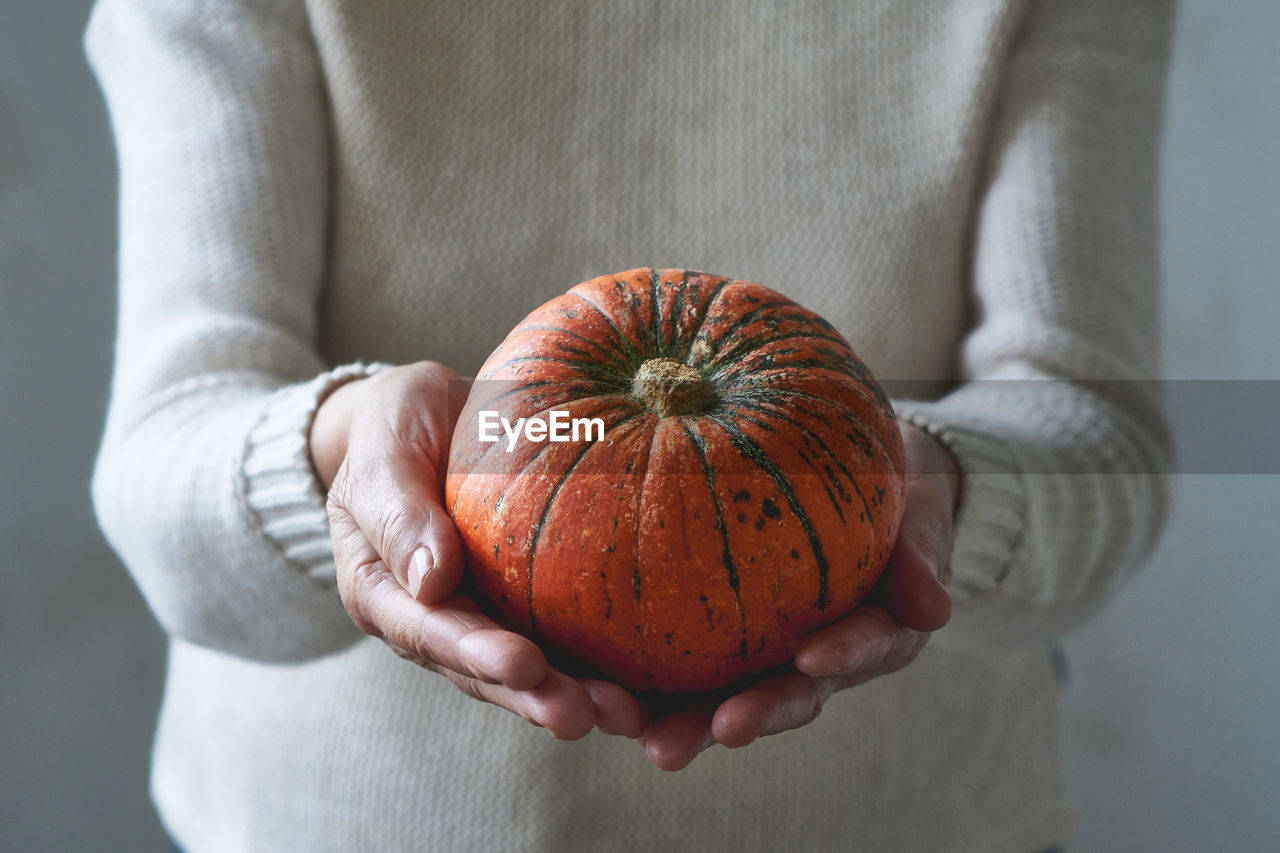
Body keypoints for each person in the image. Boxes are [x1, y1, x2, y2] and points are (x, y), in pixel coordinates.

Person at [86, 1, 1175, 850]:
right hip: (330, 825)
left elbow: (1103, 433)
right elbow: (163, 449)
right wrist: (343, 447)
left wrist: (935, 485)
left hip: (910, 823)